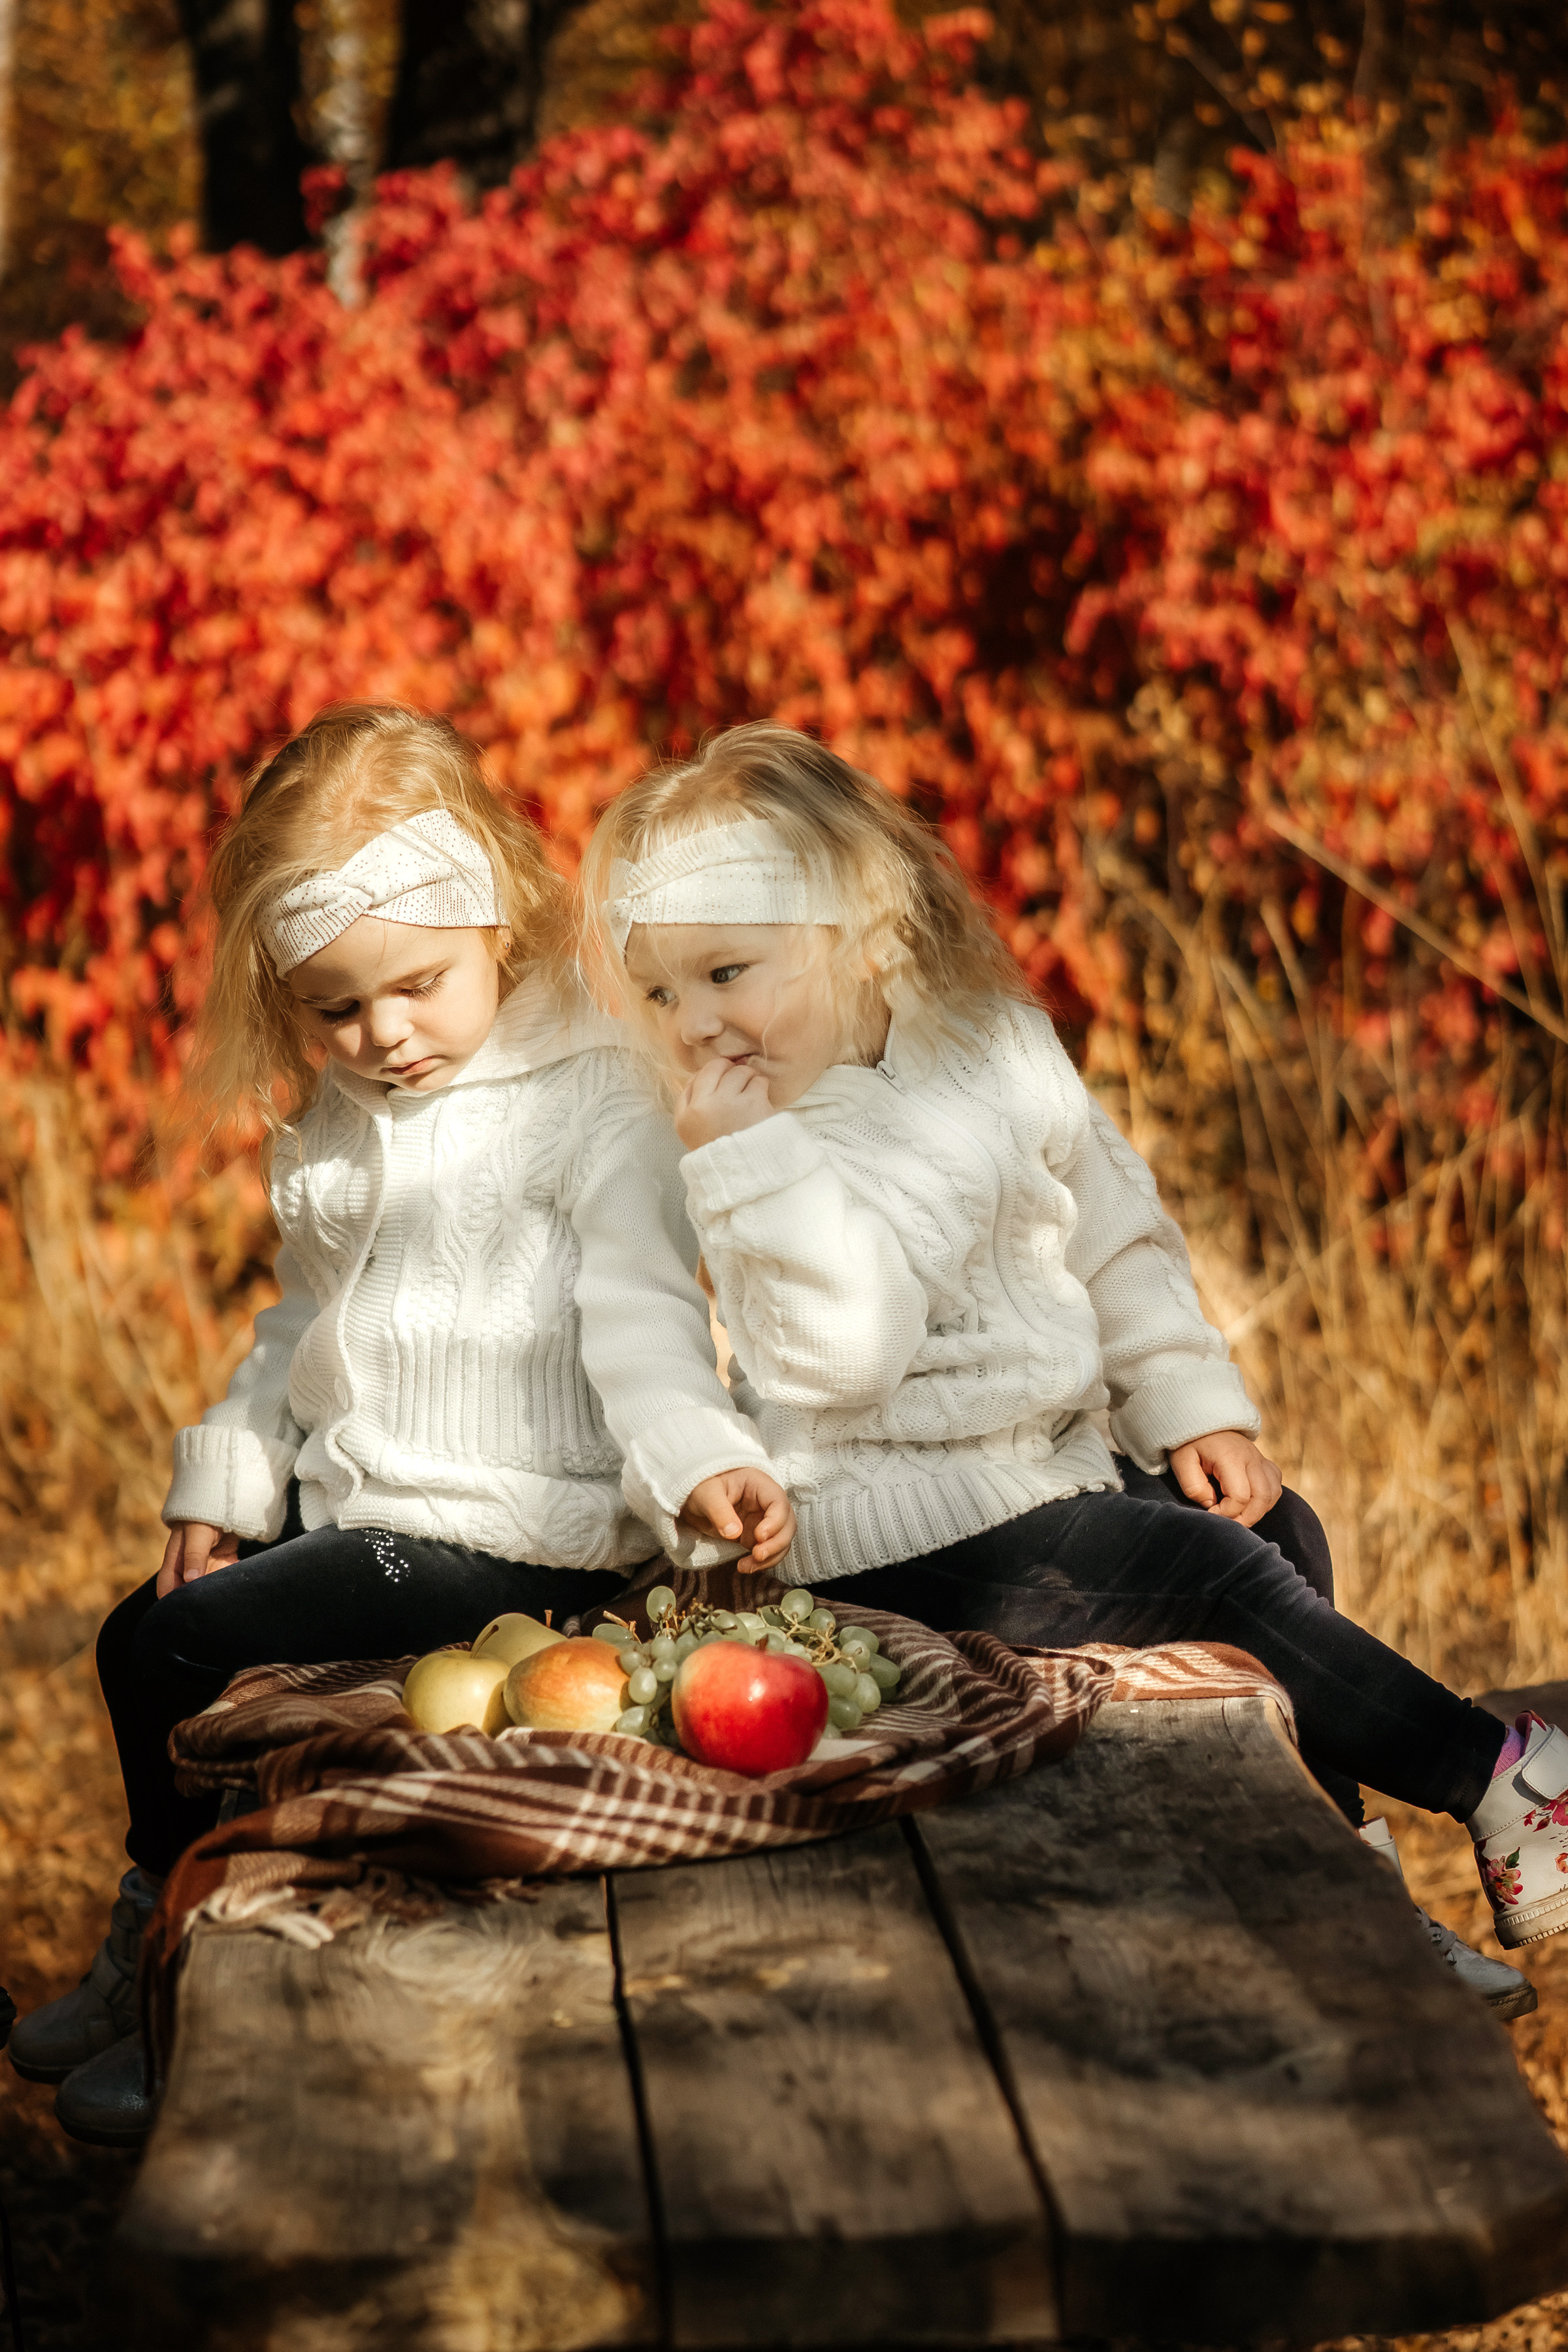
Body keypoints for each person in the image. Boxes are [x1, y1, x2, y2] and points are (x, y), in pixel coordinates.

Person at [581, 720, 1564, 2003]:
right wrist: (743, 1196)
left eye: (726, 972)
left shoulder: (990, 1046)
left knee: (1277, 1533)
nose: (697, 1023)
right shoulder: (722, 1133)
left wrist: (1187, 1402)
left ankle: (1347, 1905)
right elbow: (825, 1349)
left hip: (1050, 1478)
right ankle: (1505, 1778)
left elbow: (1116, 1229)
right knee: (1211, 1574)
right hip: (880, 1535)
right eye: (664, 995)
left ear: (860, 924)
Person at [11, 703, 791, 2143]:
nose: (381, 1036)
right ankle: (153, 1923)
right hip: (368, 1511)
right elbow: (303, 1327)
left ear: (497, 910)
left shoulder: (591, 1101)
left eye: (416, 987)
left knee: (182, 1645)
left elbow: (645, 1316)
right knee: (138, 1634)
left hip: (512, 1530)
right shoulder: (338, 1120)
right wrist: (229, 1479)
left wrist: (701, 1463)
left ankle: (190, 1987)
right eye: (335, 1008)